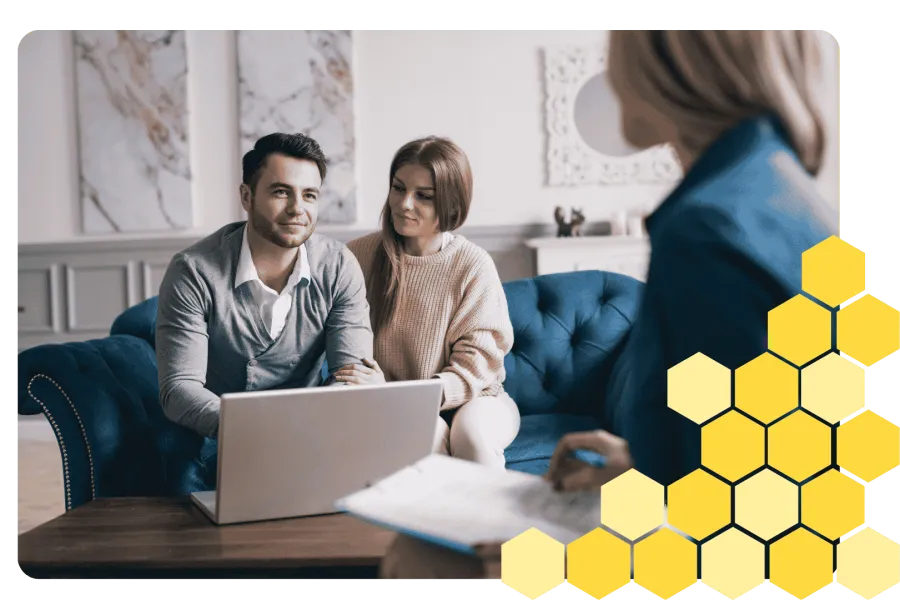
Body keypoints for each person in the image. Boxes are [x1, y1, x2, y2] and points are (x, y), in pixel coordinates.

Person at [378, 25, 837, 580]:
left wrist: (550, 557)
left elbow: (745, 520)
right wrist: (636, 462)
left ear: (672, 61)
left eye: (616, 48)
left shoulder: (707, 229)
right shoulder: (774, 186)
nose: (612, 76)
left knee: (415, 559)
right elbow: (750, 446)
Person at [155, 132, 374, 454]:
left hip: (311, 433)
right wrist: (258, 431)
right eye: (281, 192)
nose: (297, 209)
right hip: (219, 435)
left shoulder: (339, 265)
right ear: (247, 197)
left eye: (309, 195)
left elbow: (351, 375)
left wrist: (308, 429)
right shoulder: (193, 270)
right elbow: (179, 389)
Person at [338, 136, 521, 470]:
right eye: (398, 188)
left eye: (423, 195)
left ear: (451, 204)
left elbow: (475, 369)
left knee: (473, 438)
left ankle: (494, 508)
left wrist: (404, 395)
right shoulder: (358, 256)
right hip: (392, 403)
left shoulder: (473, 264)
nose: (404, 203)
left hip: (478, 398)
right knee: (424, 435)